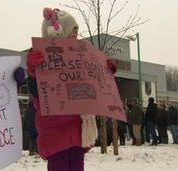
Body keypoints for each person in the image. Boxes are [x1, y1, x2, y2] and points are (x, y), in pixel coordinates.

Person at [27, 8, 117, 171]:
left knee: (77, 166)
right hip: (55, 131)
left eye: (76, 32)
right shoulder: (41, 58)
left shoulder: (80, 58)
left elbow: (96, 86)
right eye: (72, 32)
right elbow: (35, 91)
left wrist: (105, 70)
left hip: (77, 129)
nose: (76, 36)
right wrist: (34, 71)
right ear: (58, 34)